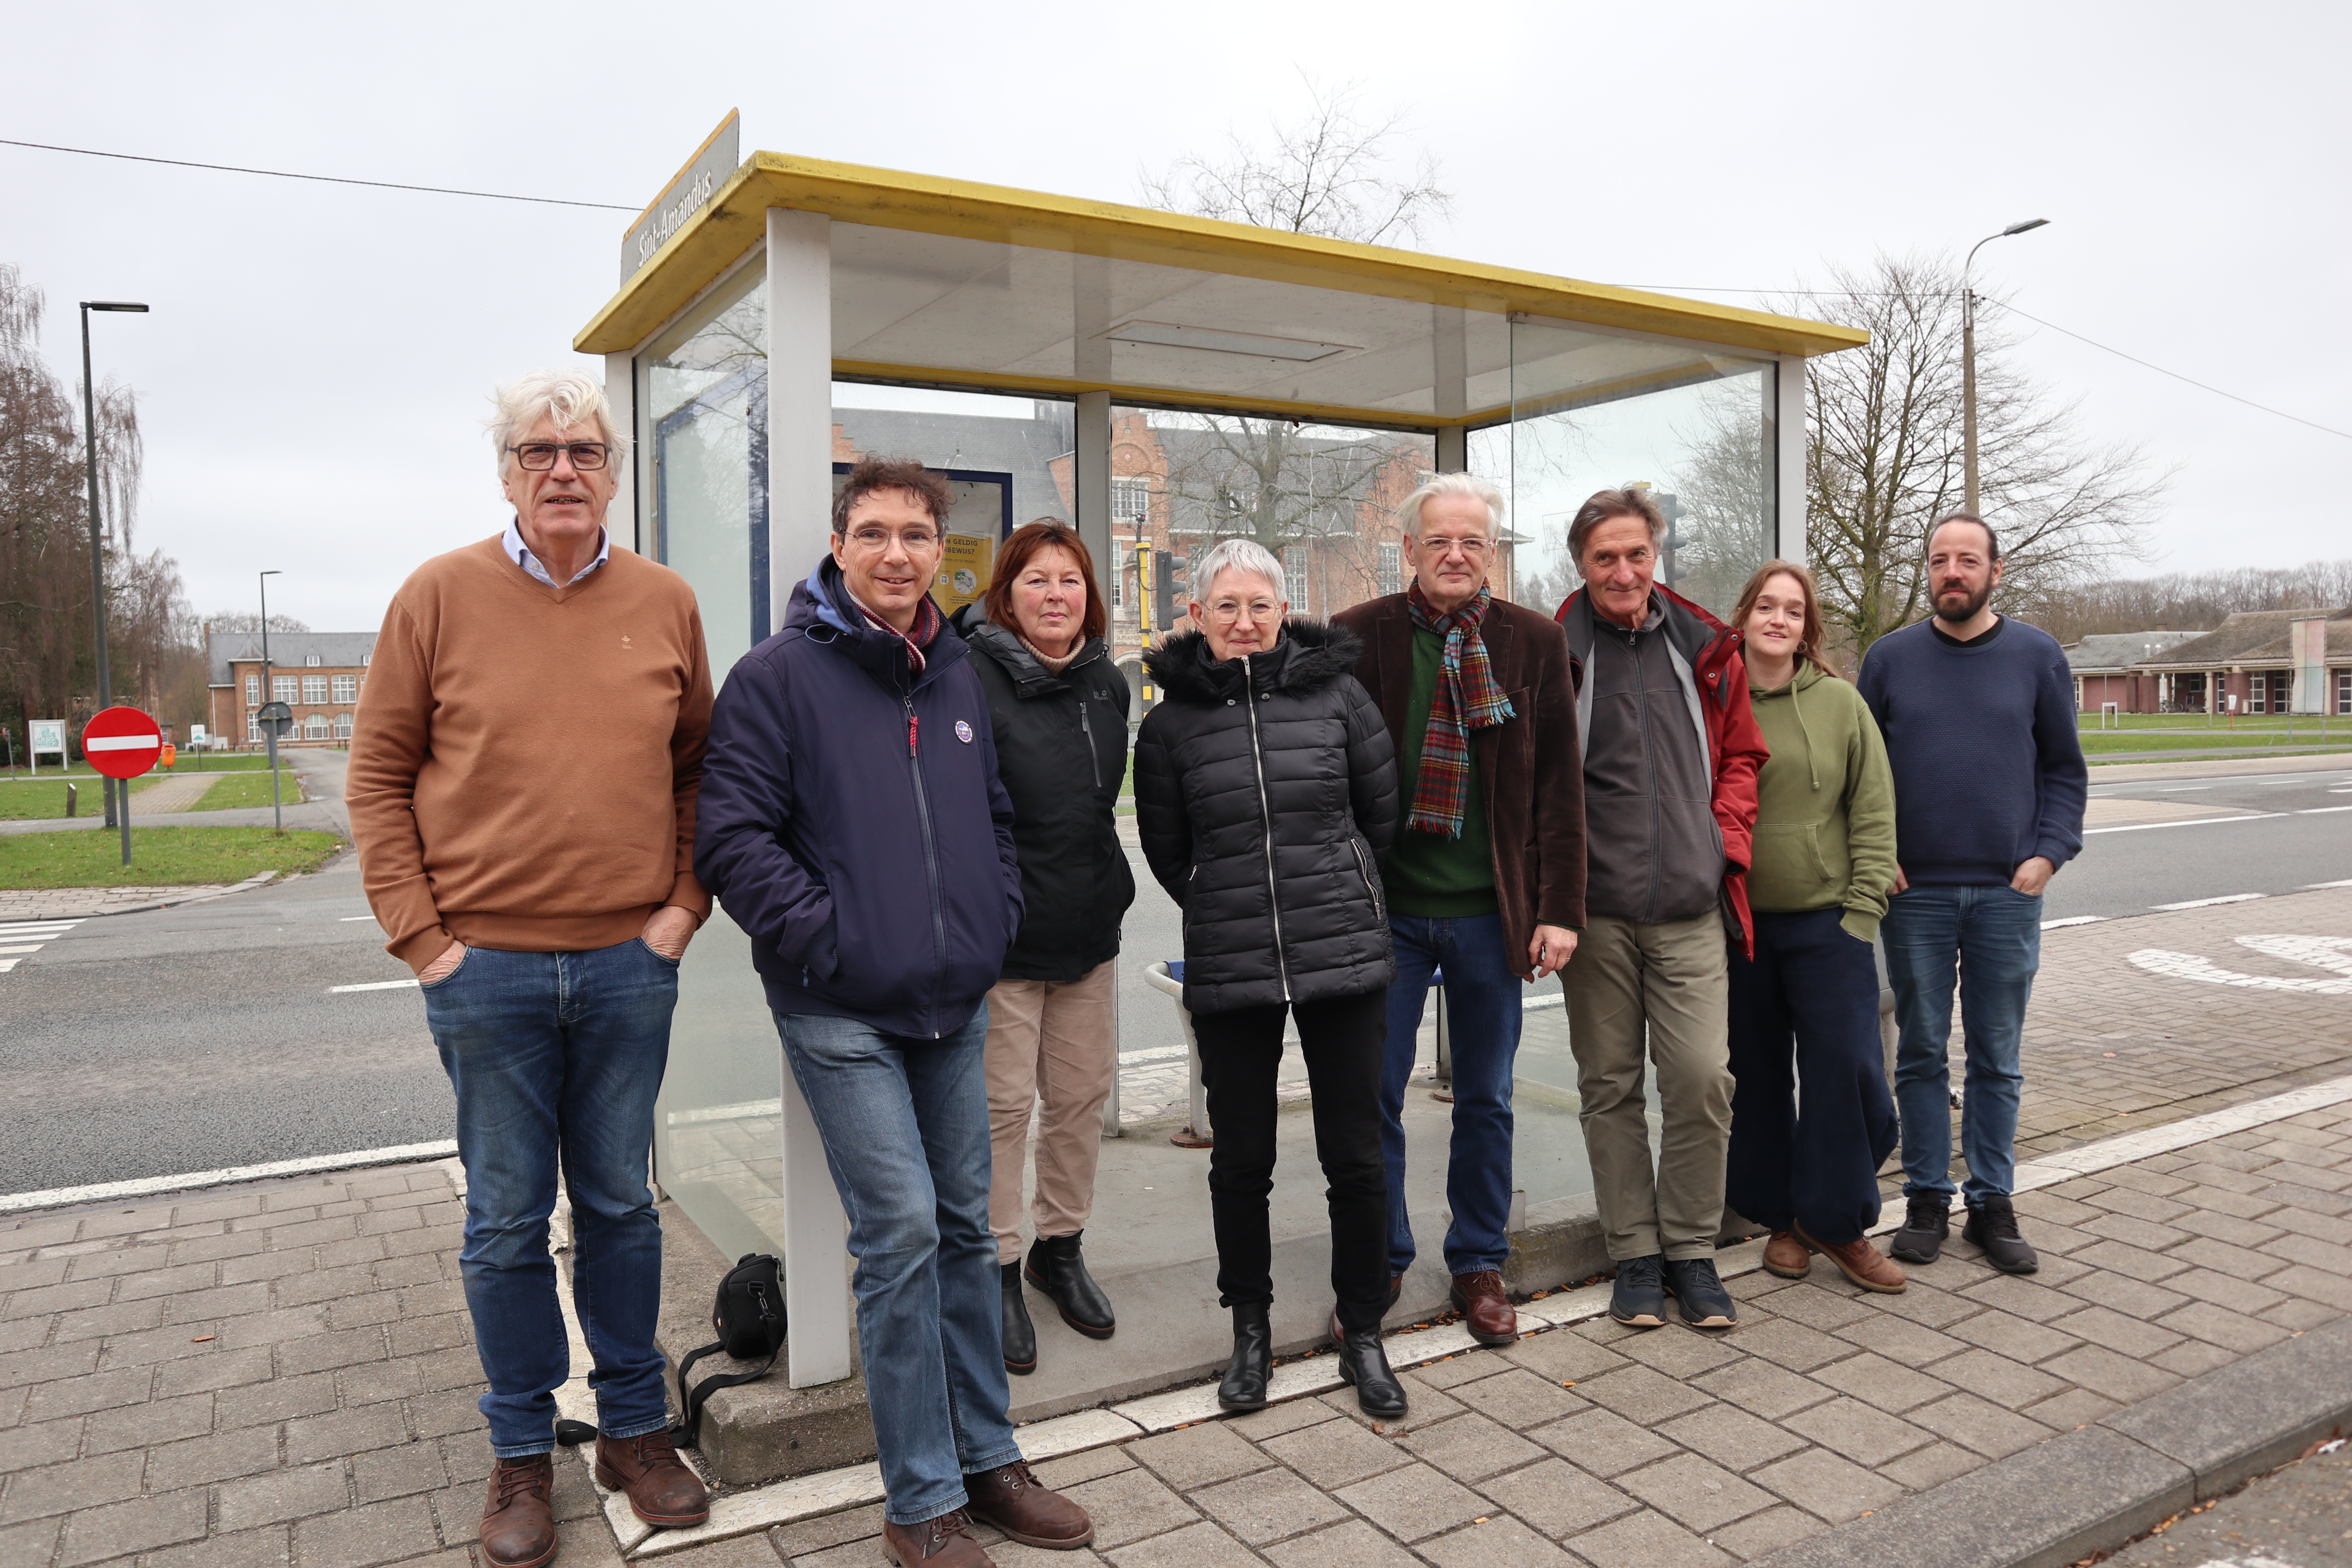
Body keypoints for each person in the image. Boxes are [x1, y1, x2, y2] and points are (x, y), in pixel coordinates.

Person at [694, 459, 1093, 1567]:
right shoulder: (777, 677)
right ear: (838, 544)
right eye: (873, 533)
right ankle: (920, 1501)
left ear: (937, 549)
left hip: (950, 999)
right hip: (839, 1011)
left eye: (916, 534)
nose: (896, 553)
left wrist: (988, 922)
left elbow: (992, 817)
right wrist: (833, 940)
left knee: (968, 1227)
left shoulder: (954, 671)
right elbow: (731, 839)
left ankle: (988, 1459)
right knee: (905, 1230)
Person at [348, 370, 713, 1568]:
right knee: (505, 1219)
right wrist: (427, 941)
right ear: (505, 468)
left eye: (584, 450)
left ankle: (634, 1427)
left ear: (614, 469)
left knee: (618, 1205)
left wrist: (678, 908)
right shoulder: (436, 596)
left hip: (626, 963)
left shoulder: (664, 601)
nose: (563, 468)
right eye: (537, 450)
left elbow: (702, 769)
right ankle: (518, 1451)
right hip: (485, 971)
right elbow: (378, 777)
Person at [1133, 538, 1406, 1417]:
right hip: (1233, 958)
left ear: (1282, 611)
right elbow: (1171, 854)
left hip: (1343, 953)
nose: (1244, 622)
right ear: (1199, 617)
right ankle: (1248, 1331)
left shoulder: (1339, 694)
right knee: (1241, 1159)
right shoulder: (1169, 723)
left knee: (1355, 1156)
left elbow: (1381, 815)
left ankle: (1362, 1330)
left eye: (1259, 606)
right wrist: (1228, 899)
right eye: (1226, 607)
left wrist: (1338, 887)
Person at [1332, 473, 1586, 1348]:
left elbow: (1560, 787)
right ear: (1408, 550)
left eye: (1472, 542)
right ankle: (1380, 1255)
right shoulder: (1357, 636)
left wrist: (1559, 908)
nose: (1455, 555)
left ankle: (1479, 1259)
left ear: (1492, 552)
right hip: (1387, 913)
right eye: (1438, 541)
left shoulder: (1535, 642)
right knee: (1373, 1095)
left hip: (1492, 912)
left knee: (1486, 1094)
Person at [1552, 486, 1766, 1332]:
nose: (1623, 571)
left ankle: (1692, 1250)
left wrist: (1724, 844)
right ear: (1582, 564)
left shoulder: (1706, 645)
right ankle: (1635, 1254)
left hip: (1689, 908)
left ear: (1658, 555)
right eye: (1605, 556)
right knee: (1609, 1087)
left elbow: (1745, 755)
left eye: (1637, 553)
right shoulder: (1556, 649)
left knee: (1701, 1081)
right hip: (1594, 915)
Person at [1860, 514, 2087, 1277]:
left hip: (2006, 893)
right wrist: (1878, 854)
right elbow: (1868, 776)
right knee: (1920, 1051)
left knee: (1997, 1056)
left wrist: (2049, 854)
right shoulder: (1888, 660)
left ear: (1994, 570)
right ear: (1926, 572)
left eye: (1967, 560)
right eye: (1938, 561)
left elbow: (2064, 769)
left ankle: (1993, 1202)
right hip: (1914, 894)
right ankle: (1927, 1198)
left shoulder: (2037, 657)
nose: (1951, 572)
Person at [947, 522, 1135, 1376]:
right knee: (1000, 1113)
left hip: (1089, 934)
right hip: (1003, 943)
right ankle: (997, 1266)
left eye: (1068, 581)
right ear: (1006, 594)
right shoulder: (967, 678)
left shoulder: (1107, 683)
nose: (1055, 595)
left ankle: (1060, 1248)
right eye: (1036, 581)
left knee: (1079, 1100)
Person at [1723, 561, 1905, 1293]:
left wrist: (1863, 910)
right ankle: (1781, 1221)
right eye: (1765, 605)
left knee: (1848, 1070)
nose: (1777, 619)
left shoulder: (1838, 703)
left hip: (1831, 923)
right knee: (1759, 1078)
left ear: (1807, 628)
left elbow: (1873, 808)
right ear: (1743, 616)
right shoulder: (1713, 701)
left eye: (1792, 611)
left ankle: (1839, 1221)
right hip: (1740, 927)